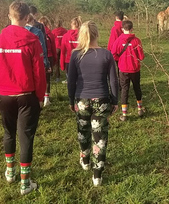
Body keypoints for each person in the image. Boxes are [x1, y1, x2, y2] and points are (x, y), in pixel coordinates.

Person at [0, 0, 46, 195]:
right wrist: (40, 96)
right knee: (26, 137)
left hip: (4, 95)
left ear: (9, 15)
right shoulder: (33, 41)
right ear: (27, 17)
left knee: (8, 133)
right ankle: (25, 183)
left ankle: (10, 172)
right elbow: (39, 72)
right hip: (26, 96)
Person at [67, 21, 119, 187]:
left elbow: (71, 81)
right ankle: (97, 175)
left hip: (81, 99)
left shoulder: (75, 55)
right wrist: (115, 100)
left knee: (83, 131)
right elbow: (113, 80)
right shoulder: (106, 54)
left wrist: (71, 100)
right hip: (102, 100)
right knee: (100, 136)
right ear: (97, 34)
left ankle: (85, 160)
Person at [111, 20, 145, 121]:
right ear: (132, 29)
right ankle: (140, 109)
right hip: (135, 70)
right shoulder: (137, 41)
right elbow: (141, 57)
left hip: (123, 70)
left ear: (122, 29)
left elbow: (113, 54)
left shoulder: (118, 41)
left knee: (124, 90)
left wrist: (120, 60)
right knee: (137, 88)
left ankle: (124, 114)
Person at [39, 16, 57, 106]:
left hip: (39, 57)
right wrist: (55, 59)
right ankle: (47, 99)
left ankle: (40, 98)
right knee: (47, 79)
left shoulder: (34, 33)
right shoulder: (50, 34)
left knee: (38, 78)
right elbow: (54, 48)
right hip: (49, 57)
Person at [60, 16, 82, 83]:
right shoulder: (83, 35)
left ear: (72, 24)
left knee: (71, 81)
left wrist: (62, 64)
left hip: (69, 60)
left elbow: (63, 52)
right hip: (81, 60)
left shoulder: (66, 36)